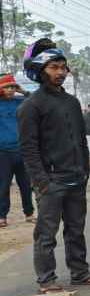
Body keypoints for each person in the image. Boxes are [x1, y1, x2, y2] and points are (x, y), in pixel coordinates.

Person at [17, 38, 90, 292]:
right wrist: (41, 182)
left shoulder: (71, 102)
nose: (60, 73)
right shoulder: (30, 106)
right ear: (40, 71)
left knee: (76, 229)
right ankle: (47, 280)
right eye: (53, 68)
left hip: (76, 177)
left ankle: (80, 272)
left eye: (62, 67)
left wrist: (85, 169)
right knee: (46, 235)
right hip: (51, 182)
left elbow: (79, 138)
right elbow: (29, 149)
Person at [0, 73, 34, 228]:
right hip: (3, 152)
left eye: (13, 87)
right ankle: (2, 216)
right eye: (7, 87)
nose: (11, 90)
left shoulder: (20, 101)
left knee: (25, 184)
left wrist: (23, 91)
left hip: (21, 150)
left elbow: (36, 101)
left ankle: (29, 213)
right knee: (3, 185)